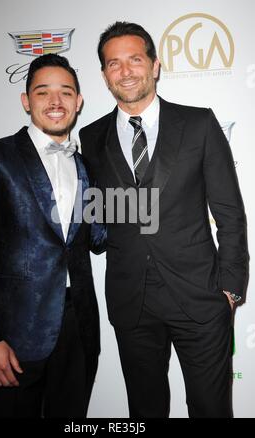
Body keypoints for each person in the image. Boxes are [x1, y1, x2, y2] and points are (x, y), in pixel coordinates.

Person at [79, 21, 248, 418]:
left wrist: (231, 290)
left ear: (155, 65)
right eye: (114, 63)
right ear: (104, 75)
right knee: (144, 410)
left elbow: (229, 213)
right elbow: (97, 216)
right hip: (131, 302)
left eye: (135, 59)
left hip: (201, 298)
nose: (125, 71)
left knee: (210, 408)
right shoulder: (90, 137)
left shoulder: (199, 124)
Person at [0, 53, 106, 418]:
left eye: (66, 92)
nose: (56, 102)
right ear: (26, 101)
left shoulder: (86, 165)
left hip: (79, 327)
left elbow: (97, 237)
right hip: (14, 333)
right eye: (43, 93)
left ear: (79, 101)